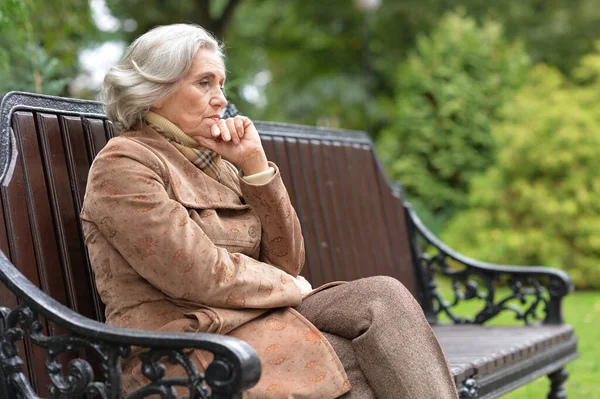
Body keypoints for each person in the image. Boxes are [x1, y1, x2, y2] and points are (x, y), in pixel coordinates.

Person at [81, 23, 459, 399]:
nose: (220, 99)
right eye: (204, 83)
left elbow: (288, 261)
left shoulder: (218, 162)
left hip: (258, 322)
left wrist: (255, 168)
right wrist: (288, 287)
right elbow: (196, 274)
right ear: (156, 91)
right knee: (360, 365)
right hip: (189, 347)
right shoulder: (126, 163)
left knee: (382, 297)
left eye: (221, 84)